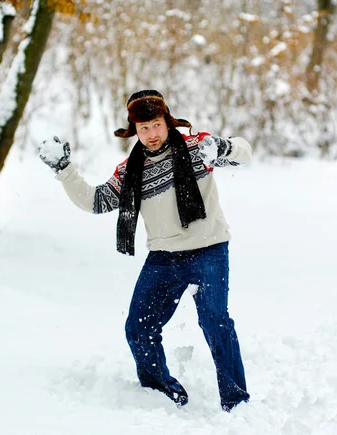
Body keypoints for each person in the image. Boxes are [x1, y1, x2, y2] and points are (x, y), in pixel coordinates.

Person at [39, 90, 251, 411]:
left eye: (155, 125)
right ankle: (160, 391)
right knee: (138, 329)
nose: (151, 135)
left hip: (208, 249)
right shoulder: (130, 171)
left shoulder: (197, 147)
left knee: (214, 320)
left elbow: (243, 152)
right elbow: (96, 201)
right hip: (164, 258)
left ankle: (236, 400)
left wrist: (224, 147)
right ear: (134, 131)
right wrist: (65, 170)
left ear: (167, 121)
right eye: (143, 128)